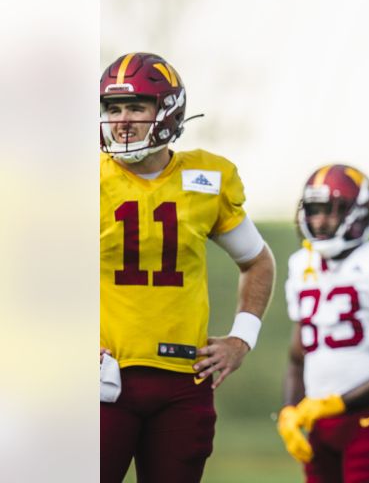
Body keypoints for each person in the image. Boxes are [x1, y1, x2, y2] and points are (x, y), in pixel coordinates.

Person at [99, 52, 277, 482]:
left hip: (183, 382)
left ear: (167, 110)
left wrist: (241, 339)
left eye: (136, 107)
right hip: (103, 379)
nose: (122, 120)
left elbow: (257, 261)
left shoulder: (206, 177)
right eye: (113, 108)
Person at [277, 164, 369, 482]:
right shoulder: (302, 266)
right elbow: (297, 356)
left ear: (358, 213)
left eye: (330, 211)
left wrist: (338, 403)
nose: (319, 221)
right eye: (314, 211)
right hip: (318, 423)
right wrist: (289, 410)